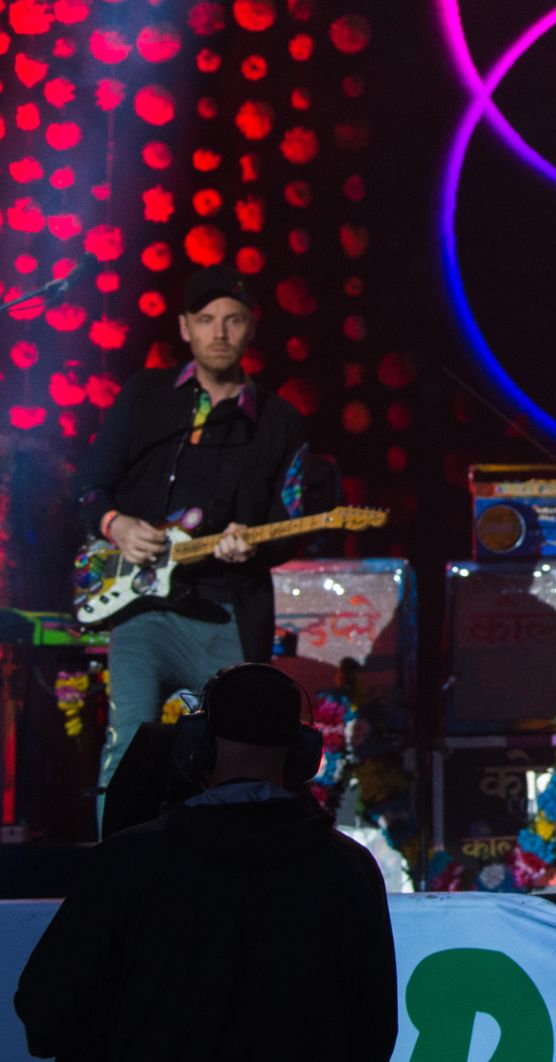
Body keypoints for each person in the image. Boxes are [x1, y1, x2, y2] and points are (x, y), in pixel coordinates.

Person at [14, 662, 398, 1060]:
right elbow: (374, 1034)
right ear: (304, 754)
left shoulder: (127, 862)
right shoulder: (349, 869)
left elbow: (46, 1013)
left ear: (196, 745)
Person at [74, 266, 309, 819]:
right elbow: (88, 483)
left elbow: (295, 519)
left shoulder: (279, 422)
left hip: (226, 612)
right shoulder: (146, 397)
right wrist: (116, 524)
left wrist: (253, 546)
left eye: (233, 320)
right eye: (206, 320)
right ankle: (116, 872)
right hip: (142, 608)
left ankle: (230, 869)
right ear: (185, 328)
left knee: (238, 752)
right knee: (130, 735)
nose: (219, 332)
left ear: (251, 329)